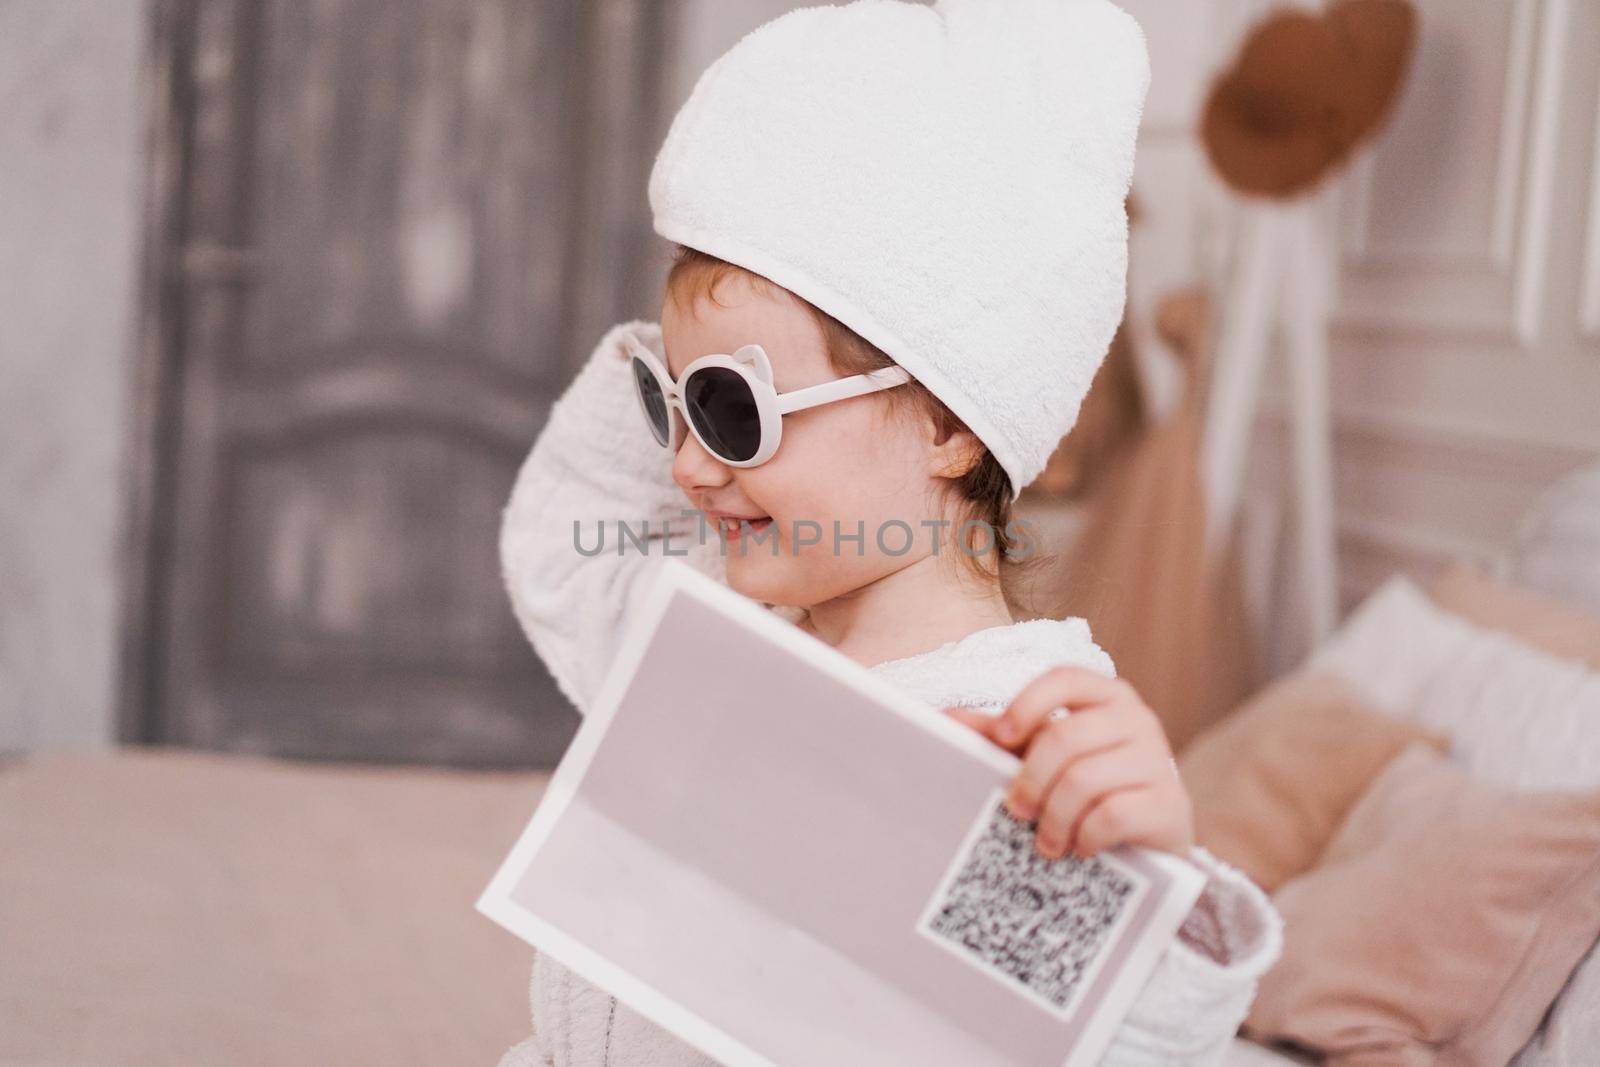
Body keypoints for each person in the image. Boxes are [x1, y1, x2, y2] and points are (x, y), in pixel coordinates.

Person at [496, 2, 1284, 1064]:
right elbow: (564, 542)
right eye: (669, 404)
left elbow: (1104, 1045)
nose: (684, 464)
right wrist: (697, 368)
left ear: (949, 424)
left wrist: (1147, 874)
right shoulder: (714, 617)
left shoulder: (1019, 734)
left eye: (732, 409)